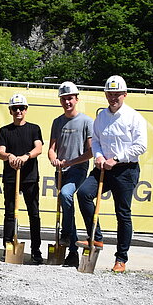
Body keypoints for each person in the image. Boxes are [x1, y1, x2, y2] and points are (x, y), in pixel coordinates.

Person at [77, 75, 148, 273]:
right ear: (106, 95)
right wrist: (98, 156)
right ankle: (96, 237)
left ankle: (121, 258)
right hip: (102, 168)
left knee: (122, 213)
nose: (113, 98)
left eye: (117, 94)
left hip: (125, 170)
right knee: (83, 194)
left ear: (124, 95)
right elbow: (97, 140)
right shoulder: (101, 117)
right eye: (110, 94)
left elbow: (141, 146)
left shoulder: (134, 117)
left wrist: (116, 158)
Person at [48, 81, 94, 268]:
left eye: (70, 98)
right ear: (61, 100)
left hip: (78, 169)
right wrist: (53, 159)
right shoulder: (57, 122)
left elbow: (90, 152)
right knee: (66, 206)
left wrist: (71, 162)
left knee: (66, 195)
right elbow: (52, 148)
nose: (67, 102)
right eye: (64, 98)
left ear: (77, 99)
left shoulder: (86, 121)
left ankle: (66, 234)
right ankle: (73, 253)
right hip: (60, 170)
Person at [0, 93, 44, 265]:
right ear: (10, 110)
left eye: (21, 108)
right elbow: (1, 152)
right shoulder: (5, 131)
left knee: (34, 214)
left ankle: (36, 250)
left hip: (30, 177)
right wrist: (9, 156)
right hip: (11, 178)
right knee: (10, 214)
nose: (18, 111)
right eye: (15, 108)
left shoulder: (34, 128)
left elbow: (38, 148)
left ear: (26, 110)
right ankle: (8, 247)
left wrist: (26, 156)